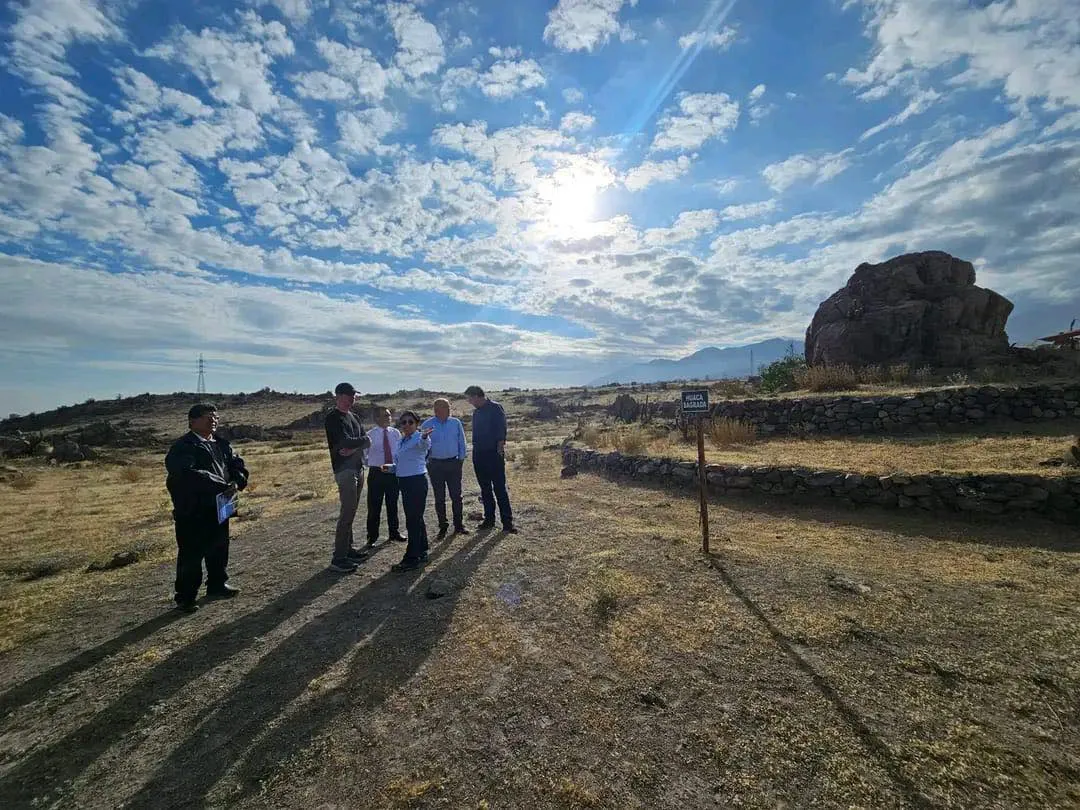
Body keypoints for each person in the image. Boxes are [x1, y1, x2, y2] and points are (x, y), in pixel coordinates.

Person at [165, 403, 249, 613]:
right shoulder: (183, 447)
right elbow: (186, 473)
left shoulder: (222, 443)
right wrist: (220, 484)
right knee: (191, 554)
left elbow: (236, 464)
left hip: (221, 505)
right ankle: (186, 597)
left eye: (215, 417)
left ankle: (217, 584)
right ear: (192, 421)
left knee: (219, 547)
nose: (213, 420)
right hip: (193, 510)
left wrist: (238, 479)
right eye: (207, 417)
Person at [324, 382, 371, 573]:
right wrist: (357, 444)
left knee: (351, 512)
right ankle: (339, 558)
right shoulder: (333, 418)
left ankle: (348, 550)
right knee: (347, 513)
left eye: (354, 395)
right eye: (349, 395)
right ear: (338, 396)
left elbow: (367, 440)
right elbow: (344, 441)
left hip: (358, 468)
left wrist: (353, 447)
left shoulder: (354, 417)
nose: (353, 398)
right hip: (344, 471)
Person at [465, 385, 516, 533]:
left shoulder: (495, 408)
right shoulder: (476, 412)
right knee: (485, 489)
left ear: (476, 396)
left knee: (499, 488)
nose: (469, 402)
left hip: (493, 453)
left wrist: (500, 450)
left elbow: (501, 429)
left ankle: (507, 523)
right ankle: (489, 520)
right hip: (479, 454)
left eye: (470, 398)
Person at [422, 398, 470, 540]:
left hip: (453, 463)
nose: (448, 409)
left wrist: (461, 459)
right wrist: (427, 462)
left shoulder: (455, 423)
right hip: (435, 465)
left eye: (448, 407)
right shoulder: (427, 424)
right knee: (439, 497)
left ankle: (459, 525)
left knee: (456, 496)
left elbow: (462, 441)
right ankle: (443, 526)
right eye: (444, 407)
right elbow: (422, 446)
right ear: (436, 409)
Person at [392, 411, 434, 571]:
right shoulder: (401, 441)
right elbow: (401, 461)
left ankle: (411, 557)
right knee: (416, 517)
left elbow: (424, 445)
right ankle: (422, 550)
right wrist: (391, 468)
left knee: (413, 520)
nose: (407, 425)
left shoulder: (419, 438)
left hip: (416, 481)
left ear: (417, 424)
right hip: (404, 481)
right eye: (404, 422)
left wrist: (424, 437)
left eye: (411, 422)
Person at [364, 406, 406, 546]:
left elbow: (399, 451)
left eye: (389, 415)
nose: (389, 418)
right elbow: (363, 455)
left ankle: (394, 532)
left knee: (392, 503)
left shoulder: (395, 433)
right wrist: (373, 464)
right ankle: (372, 537)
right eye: (385, 415)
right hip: (376, 473)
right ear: (377, 418)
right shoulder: (370, 435)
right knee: (374, 506)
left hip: (392, 472)